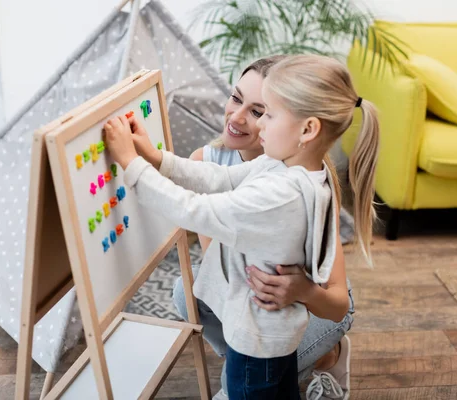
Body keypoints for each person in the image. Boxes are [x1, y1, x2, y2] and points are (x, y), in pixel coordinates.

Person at [104, 54, 379, 399]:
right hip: (268, 335)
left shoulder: (281, 194)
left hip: (256, 343)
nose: (260, 125)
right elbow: (223, 178)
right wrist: (155, 157)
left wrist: (130, 163)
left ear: (308, 129)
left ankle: (327, 361)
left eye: (268, 114)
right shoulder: (286, 168)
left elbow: (194, 210)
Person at [176, 55, 356, 400]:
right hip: (258, 304)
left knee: (251, 373)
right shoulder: (208, 162)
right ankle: (243, 367)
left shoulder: (306, 182)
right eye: (235, 98)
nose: (239, 118)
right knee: (186, 291)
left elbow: (337, 304)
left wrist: (302, 291)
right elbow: (224, 270)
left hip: (313, 308)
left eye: (260, 112)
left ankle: (330, 356)